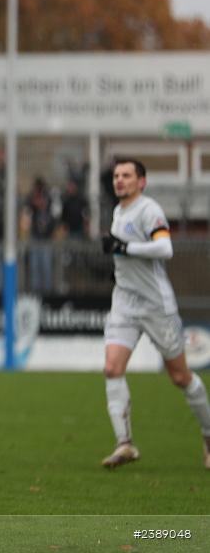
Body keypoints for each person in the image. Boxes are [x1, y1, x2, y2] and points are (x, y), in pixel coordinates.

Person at [100, 158, 210, 469]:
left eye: (127, 176)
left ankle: (209, 434)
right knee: (111, 367)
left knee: (180, 376)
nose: (120, 180)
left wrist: (124, 249)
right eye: (117, 176)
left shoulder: (149, 210)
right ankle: (125, 444)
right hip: (124, 301)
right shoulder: (118, 211)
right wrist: (119, 267)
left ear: (142, 182)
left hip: (156, 306)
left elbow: (165, 249)